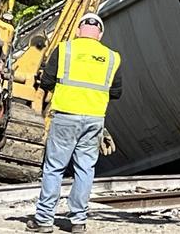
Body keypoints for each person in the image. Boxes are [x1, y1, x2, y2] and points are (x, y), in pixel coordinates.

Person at [26, 13, 122, 233]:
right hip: (94, 119)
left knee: (54, 168)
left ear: (78, 31)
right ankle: (78, 221)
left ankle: (44, 220)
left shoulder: (65, 49)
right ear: (100, 35)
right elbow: (116, 92)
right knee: (85, 169)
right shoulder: (112, 57)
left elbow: (47, 81)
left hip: (65, 117)